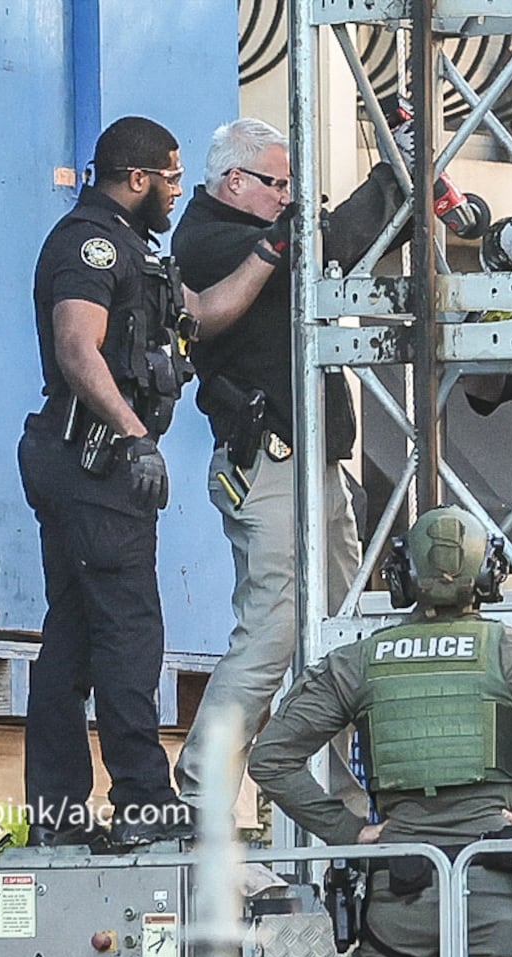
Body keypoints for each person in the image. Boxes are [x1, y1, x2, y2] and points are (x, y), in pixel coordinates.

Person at [18, 116, 287, 848]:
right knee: (128, 632)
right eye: (168, 177)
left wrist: (270, 250)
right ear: (136, 179)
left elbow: (202, 316)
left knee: (72, 639)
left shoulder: (138, 251)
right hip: (96, 460)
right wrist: (135, 439)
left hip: (88, 462)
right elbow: (79, 347)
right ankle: (142, 800)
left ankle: (58, 813)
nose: (176, 189)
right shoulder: (90, 244)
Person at [249, 506, 512, 957]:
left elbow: (271, 759)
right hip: (493, 896)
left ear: (403, 573)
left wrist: (348, 833)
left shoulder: (360, 662)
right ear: (490, 574)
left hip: (398, 901)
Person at [171, 118, 406, 815]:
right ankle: (204, 790)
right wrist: (392, 172)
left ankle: (339, 795)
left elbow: (328, 245)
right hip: (268, 461)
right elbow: (323, 245)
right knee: (272, 631)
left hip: (314, 463)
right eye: (277, 183)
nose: (288, 198)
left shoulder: (247, 232)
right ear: (233, 181)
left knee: (341, 631)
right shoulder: (209, 240)